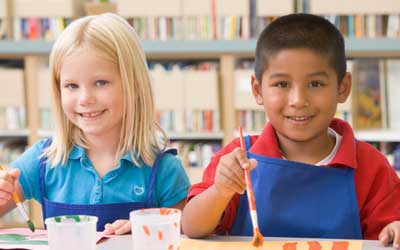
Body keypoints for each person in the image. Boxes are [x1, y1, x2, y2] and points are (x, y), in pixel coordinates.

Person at [182, 13, 400, 247]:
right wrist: (220, 191)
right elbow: (191, 227)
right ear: (257, 90)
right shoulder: (239, 155)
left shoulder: (371, 166)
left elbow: (388, 236)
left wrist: (394, 229)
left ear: (343, 87)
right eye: (281, 84)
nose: (298, 100)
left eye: (315, 84)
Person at [0, 13, 190, 234]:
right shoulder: (43, 160)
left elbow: (185, 234)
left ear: (135, 86)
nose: (85, 98)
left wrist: (148, 228)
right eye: (71, 86)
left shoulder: (164, 169)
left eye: (100, 82)